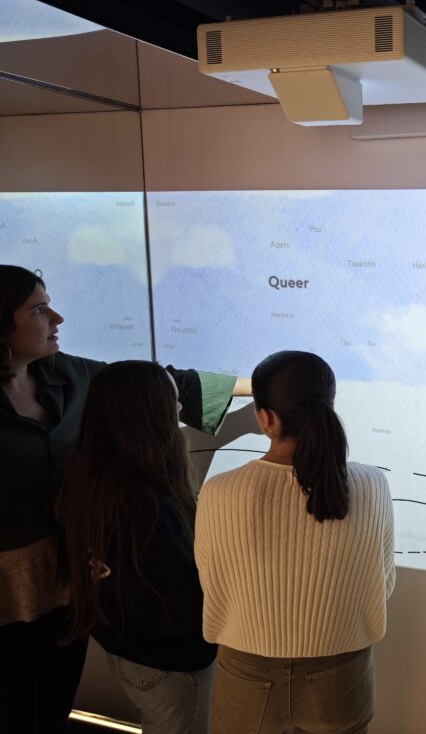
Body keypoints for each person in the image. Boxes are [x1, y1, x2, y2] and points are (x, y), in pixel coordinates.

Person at [0, 264, 241, 733]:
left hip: (72, 585)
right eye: (39, 310)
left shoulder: (71, 374)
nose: (57, 319)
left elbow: (153, 386)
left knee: (52, 702)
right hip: (10, 592)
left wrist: (274, 388)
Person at [195, 350, 395, 734]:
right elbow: (383, 581)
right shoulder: (372, 484)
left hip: (246, 669)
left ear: (266, 418)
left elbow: (213, 586)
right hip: (341, 669)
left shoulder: (219, 491)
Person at [56, 361, 216, 734]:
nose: (180, 409)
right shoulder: (147, 507)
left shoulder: (87, 480)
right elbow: (180, 610)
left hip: (128, 651)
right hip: (171, 664)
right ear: (148, 416)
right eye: (173, 401)